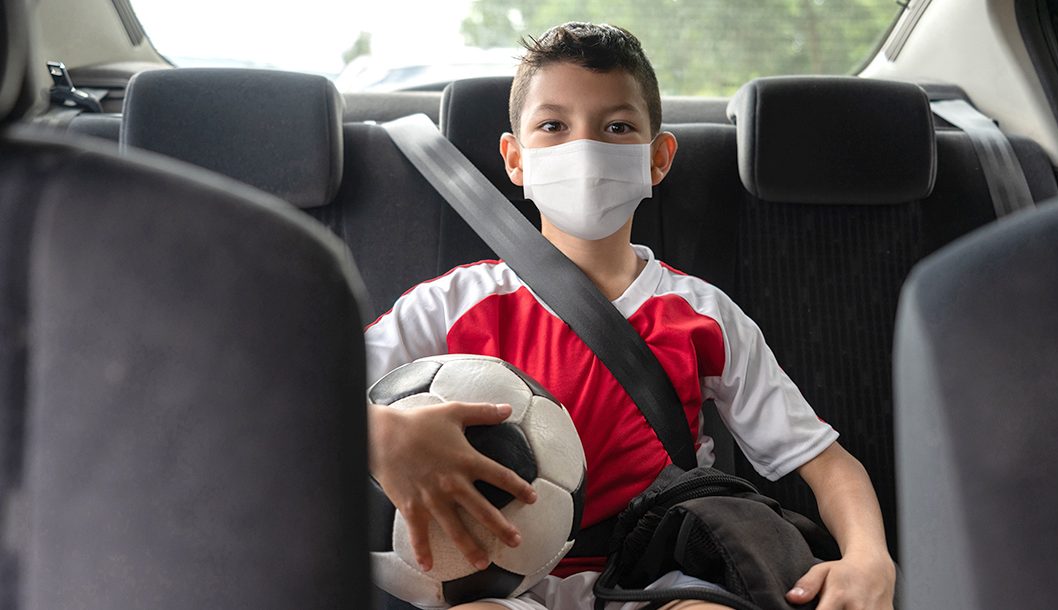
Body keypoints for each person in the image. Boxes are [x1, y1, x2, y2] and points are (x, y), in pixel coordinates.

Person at [365, 22, 895, 610]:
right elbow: (305, 399)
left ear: (658, 158)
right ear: (514, 160)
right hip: (490, 579)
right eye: (553, 126)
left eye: (617, 127)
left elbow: (826, 463)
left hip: (654, 575)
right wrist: (380, 434)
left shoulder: (702, 315)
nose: (584, 148)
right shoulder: (451, 304)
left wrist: (869, 557)